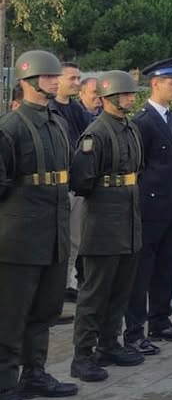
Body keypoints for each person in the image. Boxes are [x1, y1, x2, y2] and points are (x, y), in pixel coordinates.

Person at [0, 50, 78, 400]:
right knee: (11, 316)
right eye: (50, 77)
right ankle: (4, 386)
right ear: (30, 81)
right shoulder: (10, 127)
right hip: (19, 237)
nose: (56, 81)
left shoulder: (58, 123)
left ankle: (35, 374)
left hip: (53, 233)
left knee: (46, 309)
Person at [68, 70, 146, 381]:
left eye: (131, 93)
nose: (131, 97)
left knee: (120, 290)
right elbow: (82, 180)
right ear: (110, 96)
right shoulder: (95, 134)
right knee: (94, 294)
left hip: (128, 221)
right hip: (102, 224)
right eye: (126, 94)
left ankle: (109, 344)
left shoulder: (129, 128)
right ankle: (82, 355)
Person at [125, 58, 172, 354]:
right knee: (142, 273)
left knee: (166, 269)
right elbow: (138, 169)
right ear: (155, 84)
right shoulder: (143, 122)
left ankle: (160, 320)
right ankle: (135, 331)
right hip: (150, 210)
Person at [56, 62, 91, 301]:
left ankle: (68, 283)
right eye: (72, 78)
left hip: (75, 185)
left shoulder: (78, 111)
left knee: (75, 239)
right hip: (56, 187)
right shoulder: (49, 108)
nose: (76, 83)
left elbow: (87, 142)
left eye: (78, 78)